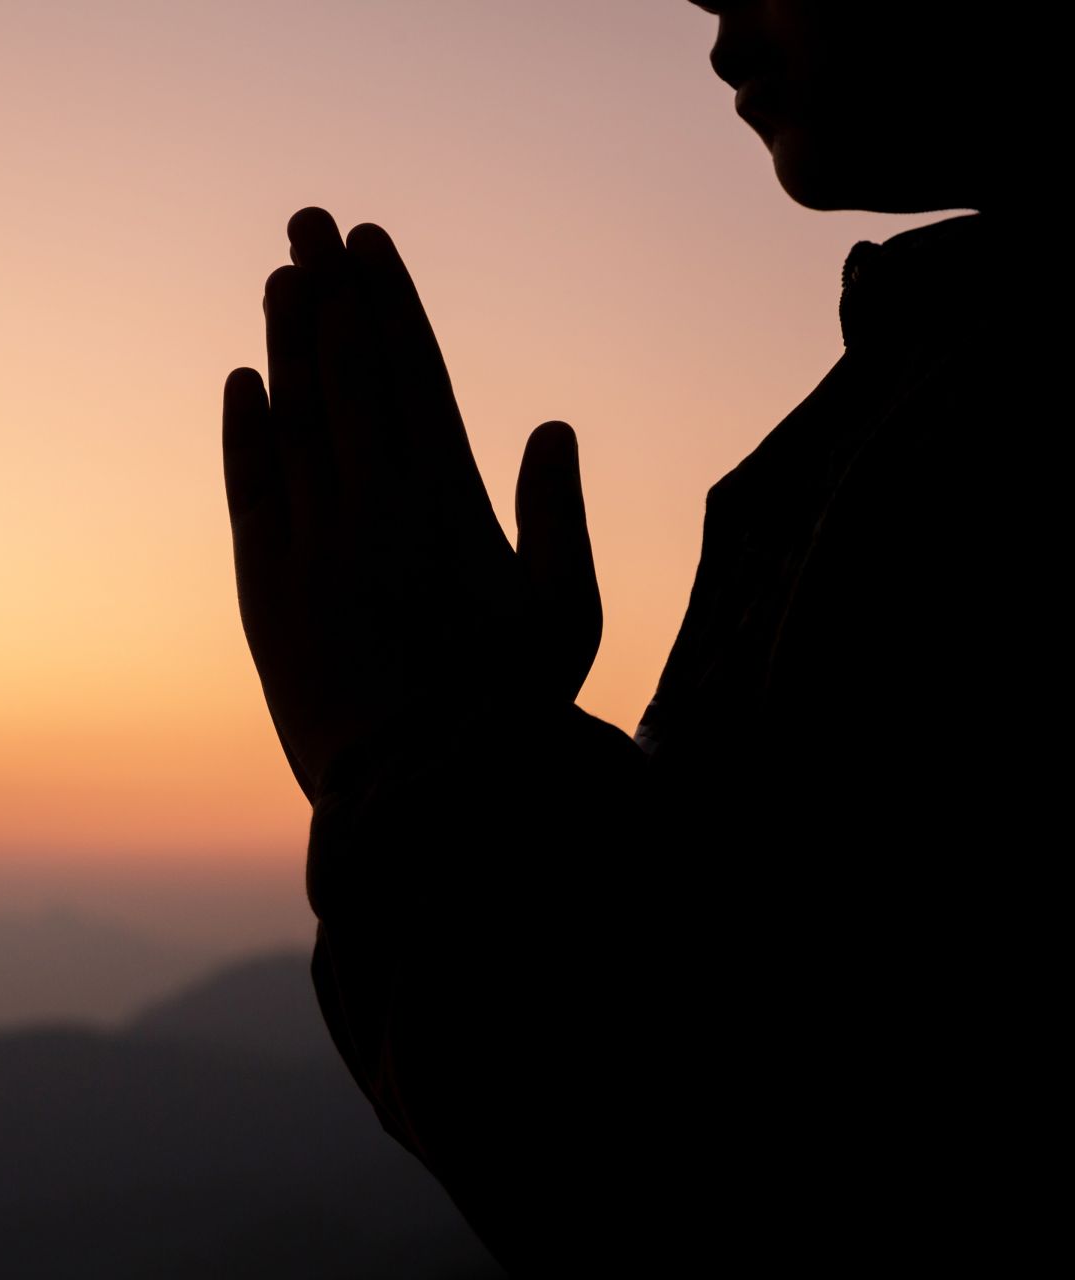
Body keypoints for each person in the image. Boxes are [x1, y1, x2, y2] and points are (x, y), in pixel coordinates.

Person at [221, 3, 1062, 1274]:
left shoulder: (1013, 453)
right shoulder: (945, 393)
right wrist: (503, 758)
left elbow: (740, 1169)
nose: (718, 30)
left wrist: (419, 759)